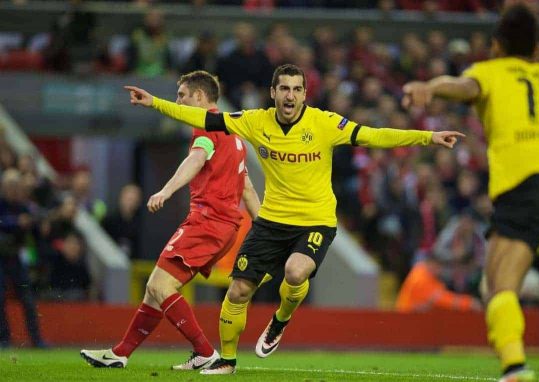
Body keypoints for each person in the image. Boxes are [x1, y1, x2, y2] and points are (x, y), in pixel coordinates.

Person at [124, 63, 464, 374]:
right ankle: (226, 361)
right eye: (284, 89)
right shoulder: (256, 121)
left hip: (316, 220)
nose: (290, 95)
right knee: (239, 290)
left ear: (304, 93)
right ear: (273, 94)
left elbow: (374, 135)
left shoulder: (325, 124)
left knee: (295, 270)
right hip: (272, 220)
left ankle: (280, 319)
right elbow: (204, 119)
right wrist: (154, 102)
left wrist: (428, 137)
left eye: (297, 89)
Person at [402, 5, 539, 382]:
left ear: (495, 46)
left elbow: (463, 87)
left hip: (525, 183)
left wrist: (430, 87)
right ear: (537, 50)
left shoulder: (490, 72)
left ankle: (515, 368)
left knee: (498, 285)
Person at [81, 70, 261, 370]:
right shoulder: (236, 136)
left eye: (182, 96)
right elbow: (249, 188)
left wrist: (165, 190)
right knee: (155, 286)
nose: (178, 102)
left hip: (207, 222)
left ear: (200, 98)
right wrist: (267, 229)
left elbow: (196, 159)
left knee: (161, 287)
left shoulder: (206, 129)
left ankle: (205, 352)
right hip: (224, 227)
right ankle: (121, 353)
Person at [0, 169, 46, 348]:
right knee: (0, 298)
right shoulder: (4, 205)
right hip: (1, 257)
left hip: (16, 256)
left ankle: (36, 339)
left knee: (27, 299)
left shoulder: (25, 206)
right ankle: (4, 339)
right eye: (9, 185)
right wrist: (16, 222)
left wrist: (39, 227)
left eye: (15, 186)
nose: (12, 189)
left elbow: (35, 225)